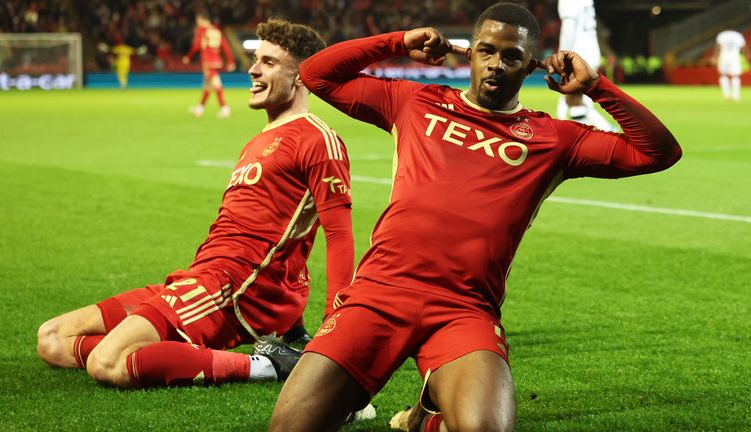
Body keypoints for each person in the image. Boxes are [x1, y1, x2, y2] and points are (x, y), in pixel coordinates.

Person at [269, 3, 681, 431]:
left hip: (463, 309)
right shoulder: (414, 101)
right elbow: (317, 74)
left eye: (511, 57)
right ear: (469, 53)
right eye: (486, 51)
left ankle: (427, 416)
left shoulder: (554, 139)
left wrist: (595, 86)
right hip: (380, 293)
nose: (496, 64)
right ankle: (429, 415)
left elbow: (658, 152)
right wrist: (398, 41)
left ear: (530, 67)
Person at [37, 19, 354, 390]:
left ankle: (267, 366)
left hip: (232, 290)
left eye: (268, 62)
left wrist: (335, 328)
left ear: (301, 76)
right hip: (198, 278)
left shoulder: (317, 139)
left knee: (108, 363)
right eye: (255, 59)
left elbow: (338, 236)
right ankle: (163, 353)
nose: (252, 68)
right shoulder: (259, 140)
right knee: (52, 339)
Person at [556, 0, 616, 131]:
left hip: (578, 54)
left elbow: (569, 28)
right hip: (591, 51)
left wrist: (563, 55)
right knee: (572, 95)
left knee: (575, 101)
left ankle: (607, 130)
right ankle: (559, 123)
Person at [182, 12, 236, 118]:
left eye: (198, 20)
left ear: (202, 19)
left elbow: (196, 46)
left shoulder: (202, 31)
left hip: (208, 62)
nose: (197, 22)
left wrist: (188, 56)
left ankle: (225, 108)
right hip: (217, 61)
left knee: (216, 84)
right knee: (207, 86)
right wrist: (230, 61)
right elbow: (225, 46)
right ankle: (199, 109)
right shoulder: (216, 31)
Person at [713, 28, 748, 102]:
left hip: (724, 57)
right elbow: (744, 47)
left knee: (723, 75)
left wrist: (715, 57)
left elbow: (718, 47)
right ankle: (736, 95)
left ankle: (726, 95)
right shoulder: (738, 35)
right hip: (735, 57)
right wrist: (746, 55)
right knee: (735, 76)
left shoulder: (722, 35)